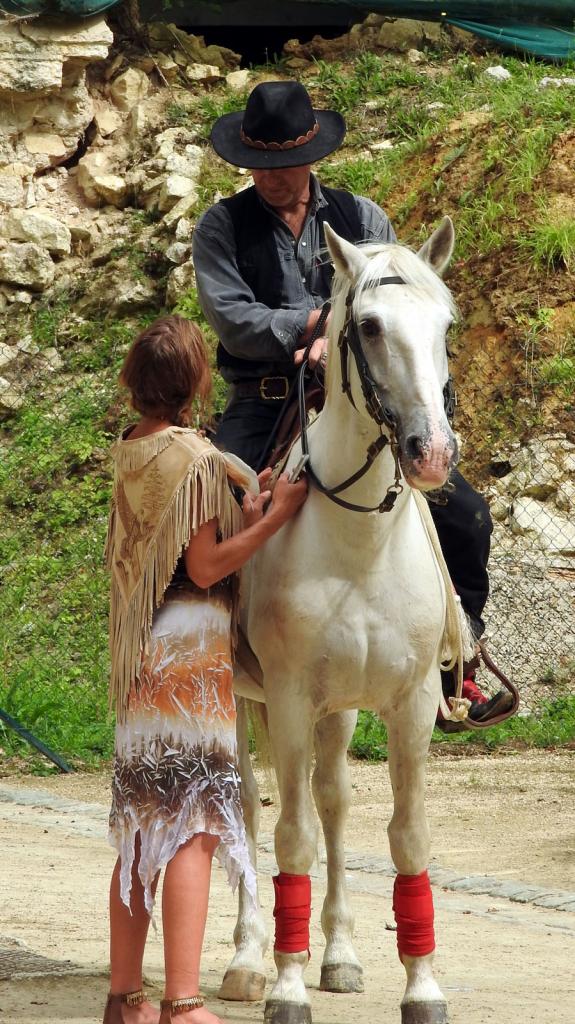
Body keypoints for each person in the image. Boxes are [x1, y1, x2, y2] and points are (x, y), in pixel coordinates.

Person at [191, 80, 513, 729]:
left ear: (311, 157)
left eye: (286, 165)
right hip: (266, 395)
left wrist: (342, 347)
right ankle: (198, 659)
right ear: (247, 165)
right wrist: (310, 329)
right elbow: (230, 318)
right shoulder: (222, 226)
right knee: (212, 505)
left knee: (467, 516)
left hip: (364, 402)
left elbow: (393, 310)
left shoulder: (364, 219)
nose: (275, 178)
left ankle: (457, 660)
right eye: (263, 167)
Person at [103, 315, 307, 1024]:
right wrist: (274, 518)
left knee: (140, 826)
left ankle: (126, 996)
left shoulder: (132, 448)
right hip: (187, 662)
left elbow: (182, 540)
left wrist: (240, 512)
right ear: (193, 380)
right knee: (191, 827)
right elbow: (204, 565)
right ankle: (183, 1005)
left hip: (140, 657)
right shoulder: (194, 459)